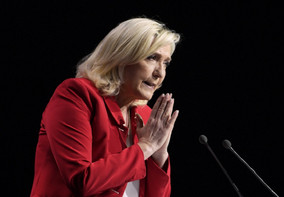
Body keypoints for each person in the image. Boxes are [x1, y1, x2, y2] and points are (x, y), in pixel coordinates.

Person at [30, 17, 180, 197]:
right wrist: (146, 147)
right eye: (152, 58)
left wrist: (159, 155)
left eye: (165, 63)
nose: (160, 73)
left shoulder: (146, 116)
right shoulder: (76, 95)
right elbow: (81, 181)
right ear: (122, 57)